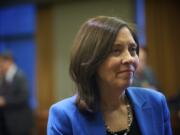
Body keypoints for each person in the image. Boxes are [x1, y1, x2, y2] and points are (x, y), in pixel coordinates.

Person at [47, 16, 172, 135]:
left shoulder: (156, 102)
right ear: (91, 59)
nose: (129, 58)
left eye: (132, 49)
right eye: (116, 50)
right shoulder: (64, 115)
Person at [0, 52, 33, 135]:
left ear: (8, 62)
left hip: (19, 123)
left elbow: (24, 97)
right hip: (6, 123)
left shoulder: (20, 76)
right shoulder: (4, 76)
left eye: (1, 63)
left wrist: (5, 101)